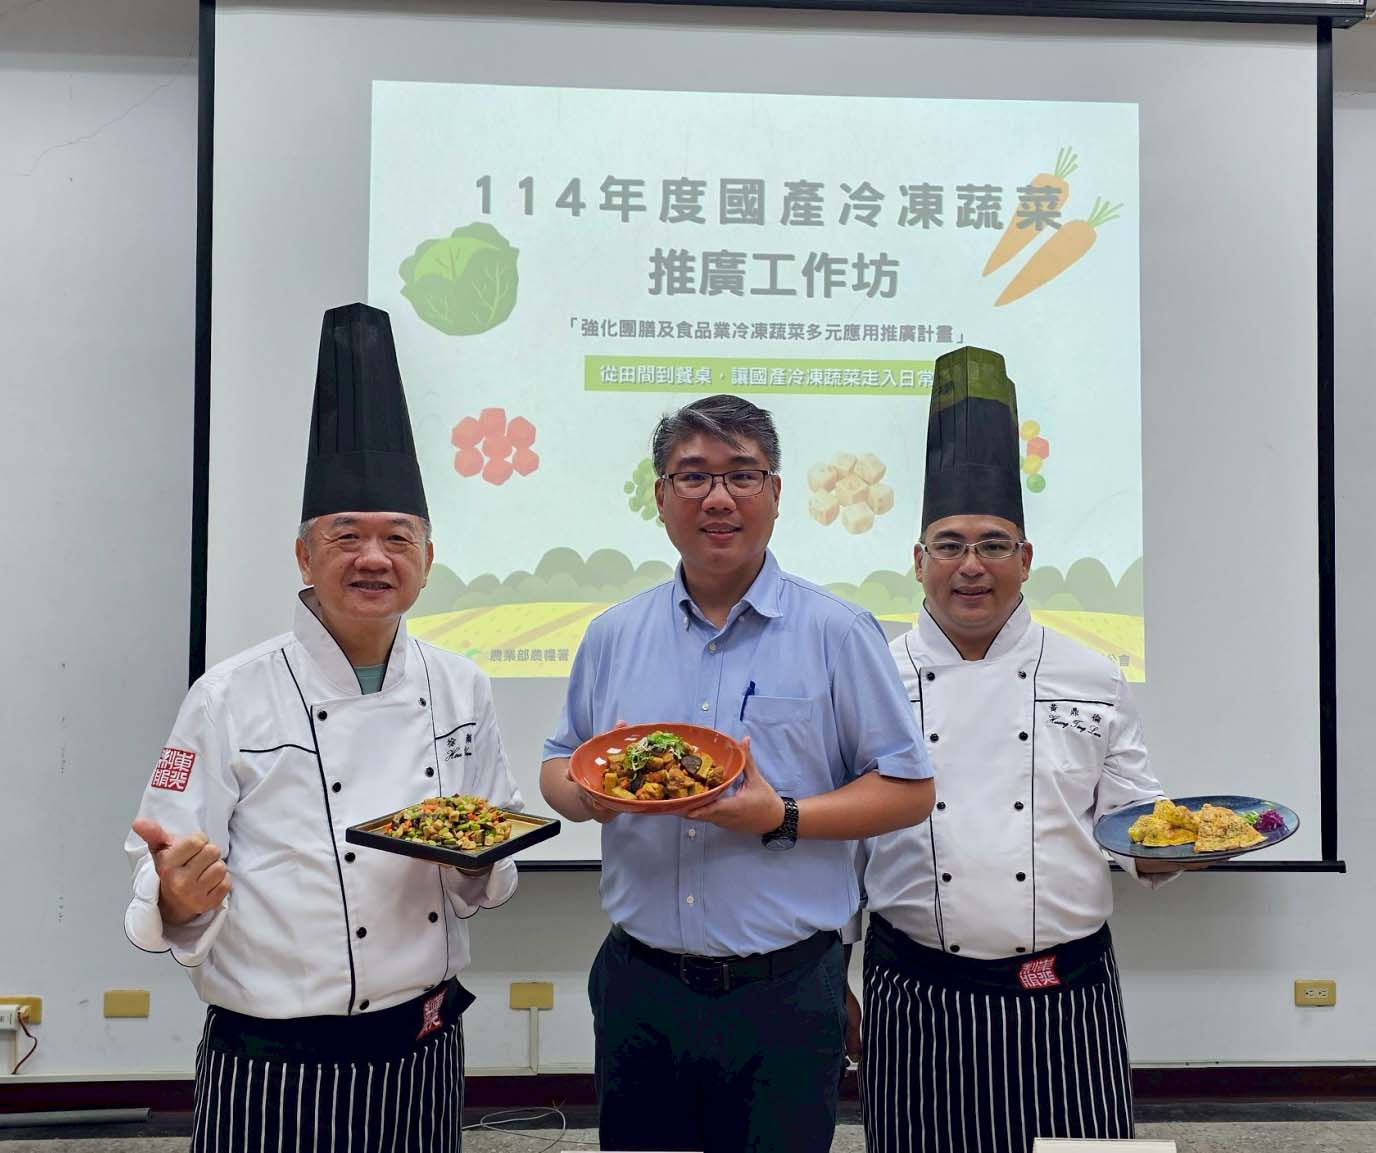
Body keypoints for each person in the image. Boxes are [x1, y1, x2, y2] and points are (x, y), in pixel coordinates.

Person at [124, 304, 519, 1153]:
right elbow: (168, 873)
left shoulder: (463, 685)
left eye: (395, 538)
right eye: (346, 536)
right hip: (270, 1060)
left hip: (420, 1047)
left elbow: (492, 853)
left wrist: (481, 867)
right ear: (304, 557)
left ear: (426, 558)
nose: (372, 557)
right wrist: (177, 899)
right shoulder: (229, 694)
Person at [539, 394, 936, 1153]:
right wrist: (585, 795)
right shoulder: (613, 634)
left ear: (776, 494)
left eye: (741, 474)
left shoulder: (838, 631)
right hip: (640, 985)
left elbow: (909, 788)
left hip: (785, 993)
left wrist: (780, 815)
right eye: (692, 476)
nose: (717, 497)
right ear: (660, 497)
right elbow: (561, 764)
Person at [856, 346, 1186, 1153]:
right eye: (951, 543)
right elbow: (839, 847)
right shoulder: (867, 677)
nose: (972, 566)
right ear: (917, 560)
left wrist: (1173, 850)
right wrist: (832, 980)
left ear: (1027, 559)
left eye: (995, 543)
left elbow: (1136, 823)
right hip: (912, 991)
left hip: (1066, 993)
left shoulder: (1093, 675)